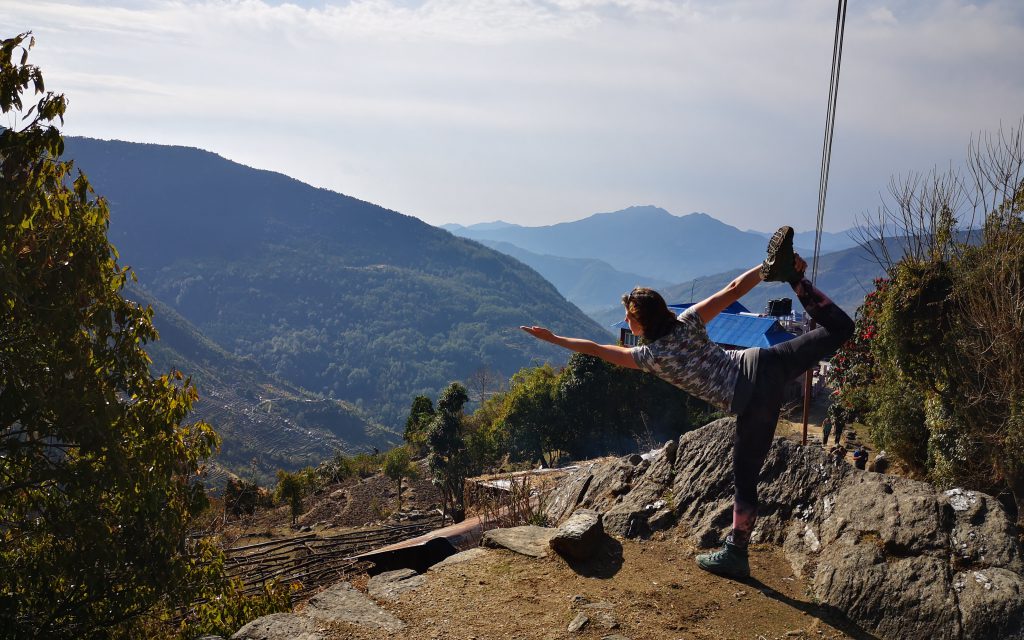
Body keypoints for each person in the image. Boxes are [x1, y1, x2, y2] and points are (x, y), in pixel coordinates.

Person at [521, 226, 854, 580]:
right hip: (765, 363)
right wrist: (766, 269)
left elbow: (599, 349)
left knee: (745, 479)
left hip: (753, 397)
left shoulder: (650, 356)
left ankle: (736, 553)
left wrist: (555, 339)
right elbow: (732, 290)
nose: (628, 322)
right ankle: (795, 279)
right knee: (840, 329)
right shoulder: (687, 323)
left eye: (631, 317)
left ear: (641, 322)